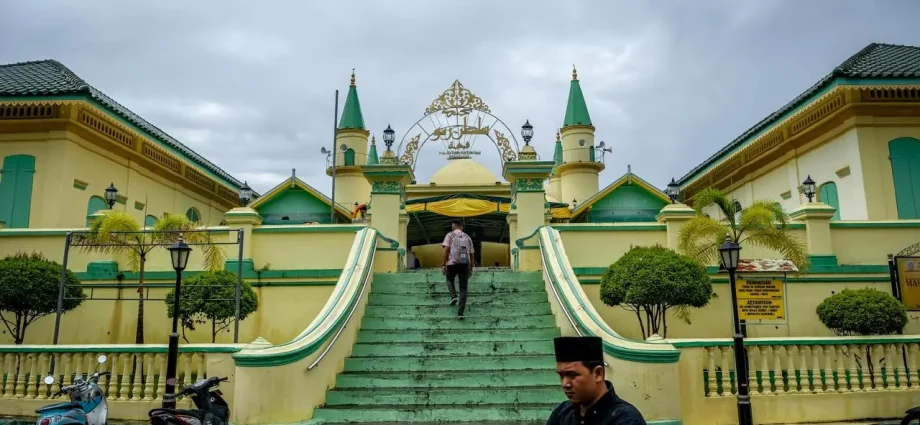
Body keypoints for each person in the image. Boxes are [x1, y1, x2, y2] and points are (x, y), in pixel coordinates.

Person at [547, 336, 647, 425]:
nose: (565, 384)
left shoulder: (626, 419)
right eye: (561, 376)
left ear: (598, 373)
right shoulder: (561, 414)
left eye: (572, 375)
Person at [442, 219, 474, 319]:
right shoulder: (468, 237)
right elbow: (472, 254)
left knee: (449, 279)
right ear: (461, 227)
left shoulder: (449, 235)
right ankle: (460, 313)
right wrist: (471, 267)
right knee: (463, 288)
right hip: (464, 264)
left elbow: (446, 249)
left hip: (452, 263)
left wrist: (443, 264)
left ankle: (453, 295)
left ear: (453, 227)